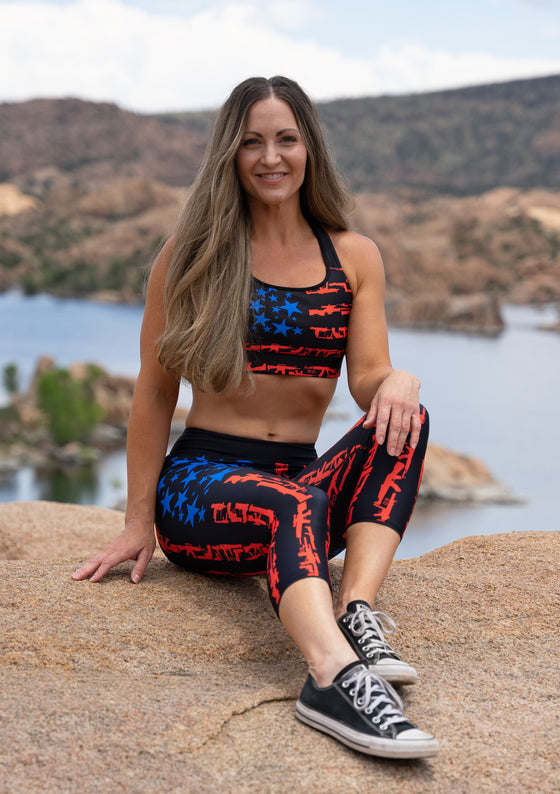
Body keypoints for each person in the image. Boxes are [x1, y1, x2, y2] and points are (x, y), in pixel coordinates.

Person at [72, 75, 439, 760]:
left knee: (405, 419)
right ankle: (330, 680)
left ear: (309, 150)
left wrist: (400, 380)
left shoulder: (352, 256)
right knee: (290, 504)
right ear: (230, 156)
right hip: (202, 487)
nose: (271, 157)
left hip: (298, 484)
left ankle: (355, 609)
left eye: (286, 139)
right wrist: (135, 522)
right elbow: (154, 393)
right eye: (252, 143)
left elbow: (366, 381)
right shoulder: (191, 253)